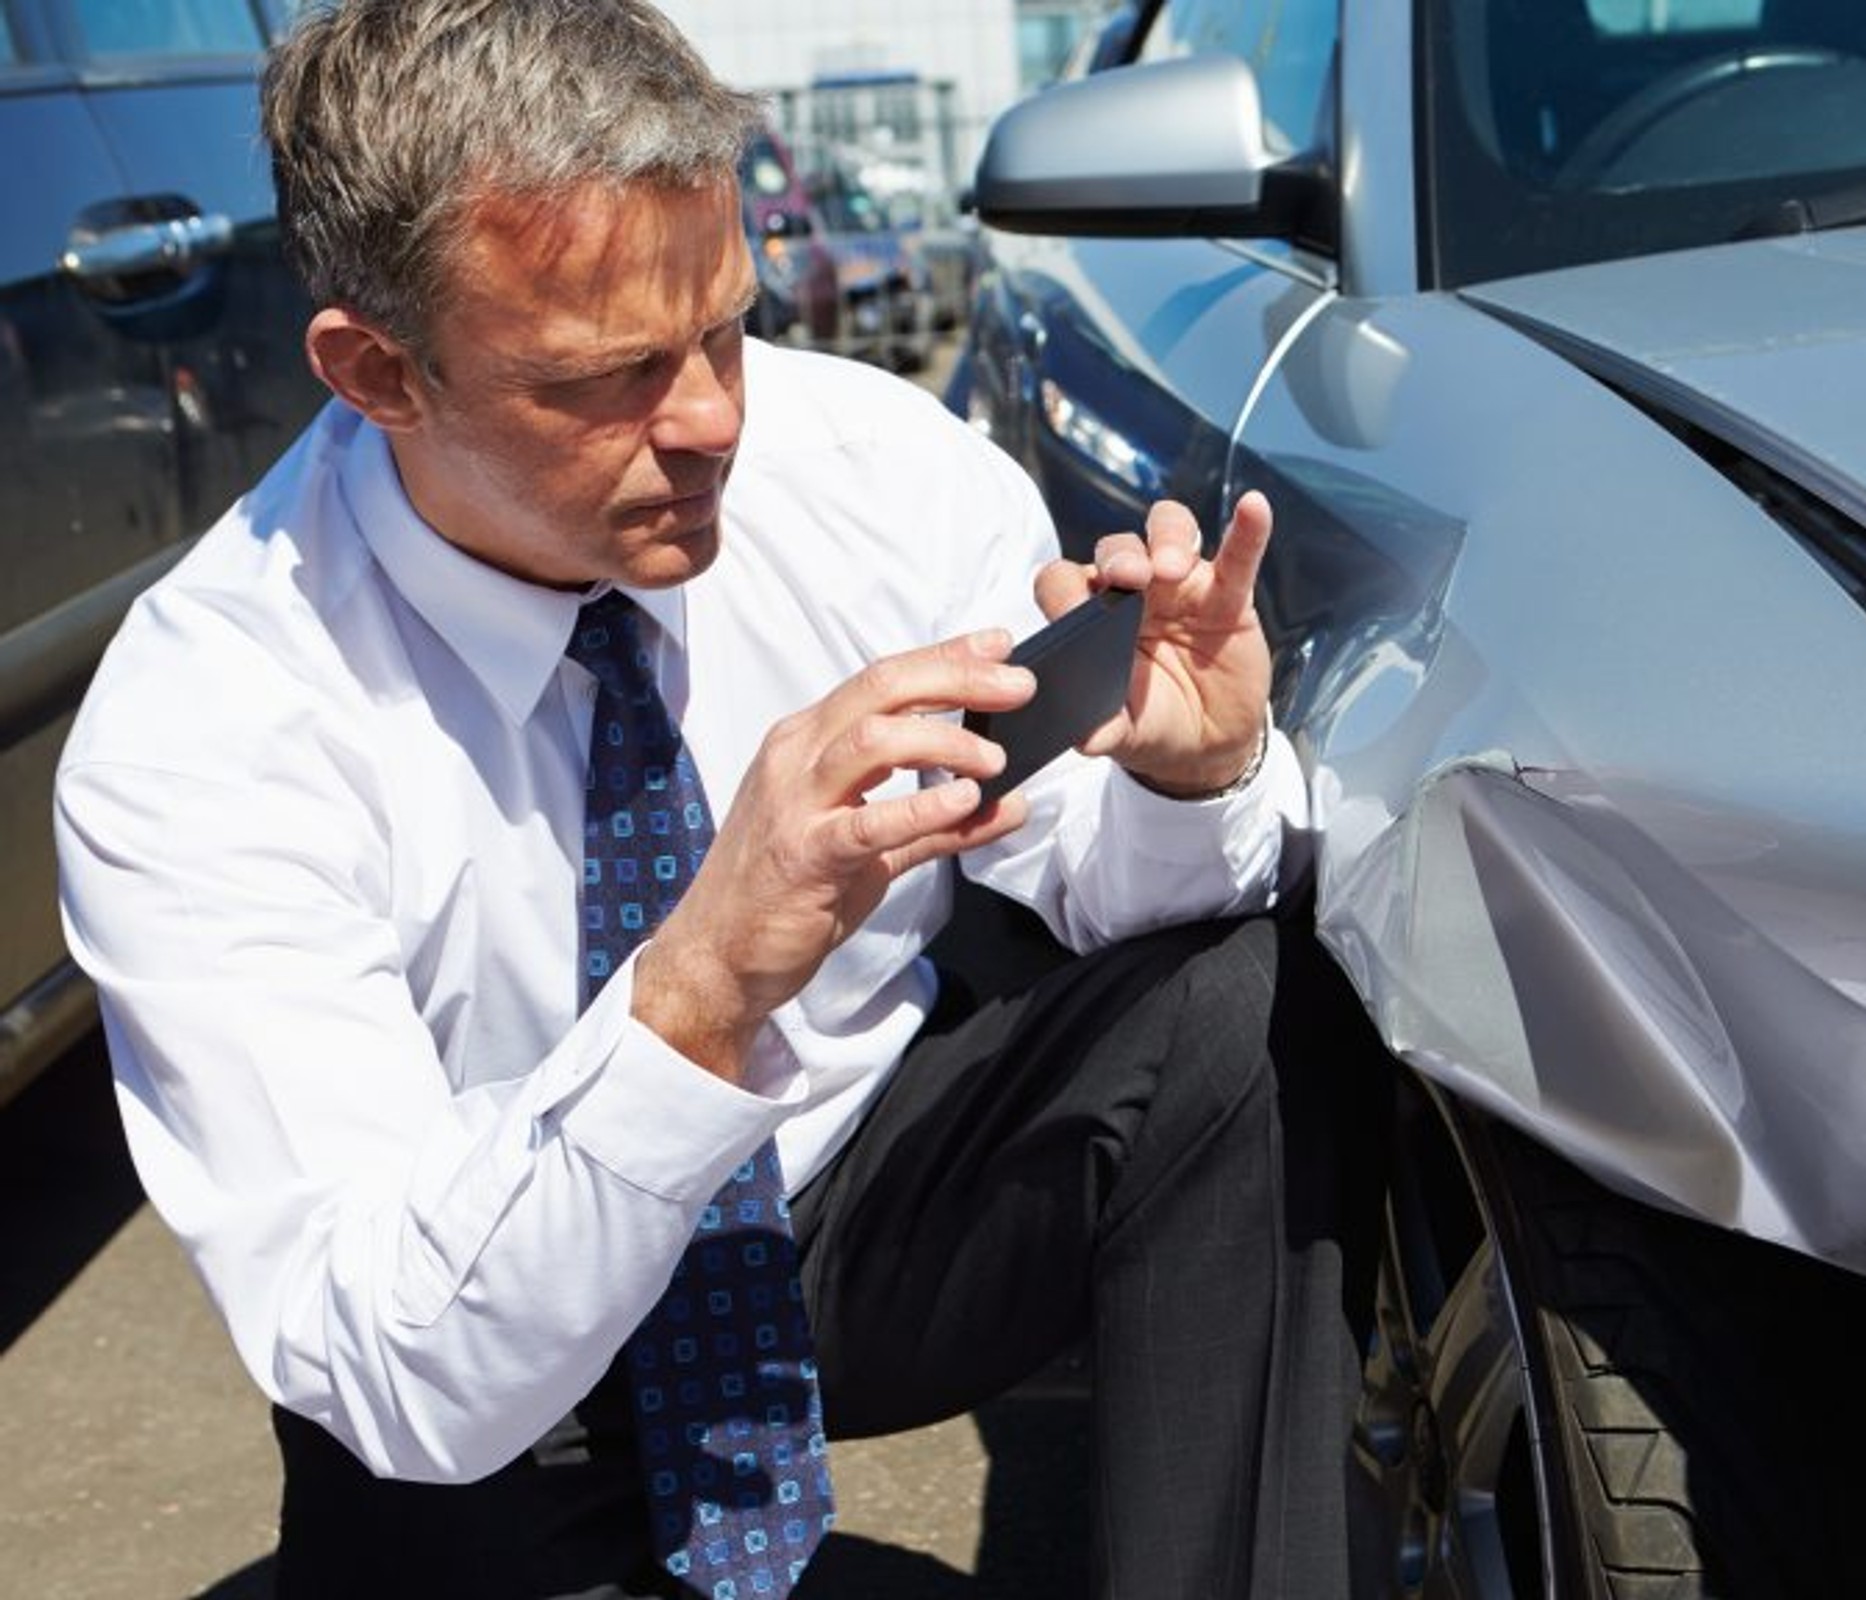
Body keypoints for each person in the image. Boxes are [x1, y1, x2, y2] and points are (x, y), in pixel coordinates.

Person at [53, 2, 1387, 1596]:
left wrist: (1185, 779)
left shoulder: (876, 472)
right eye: (604, 376)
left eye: (726, 328)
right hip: (490, 1314)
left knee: (1240, 1008)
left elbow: (1091, 882)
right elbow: (395, 1363)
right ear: (375, 373)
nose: (710, 422)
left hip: (837, 1214)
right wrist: (701, 979)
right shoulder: (210, 720)